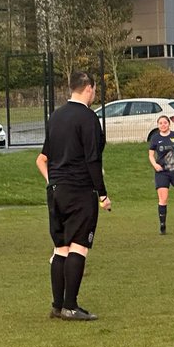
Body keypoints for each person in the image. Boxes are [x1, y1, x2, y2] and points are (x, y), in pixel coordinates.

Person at [36, 69, 111, 321]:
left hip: (56, 191)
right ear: (88, 88)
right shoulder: (89, 118)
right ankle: (71, 306)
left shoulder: (56, 116)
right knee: (79, 246)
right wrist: (102, 194)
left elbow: (46, 156)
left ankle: (58, 305)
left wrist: (53, 181)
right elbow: (92, 158)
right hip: (80, 190)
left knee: (60, 248)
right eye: (94, 90)